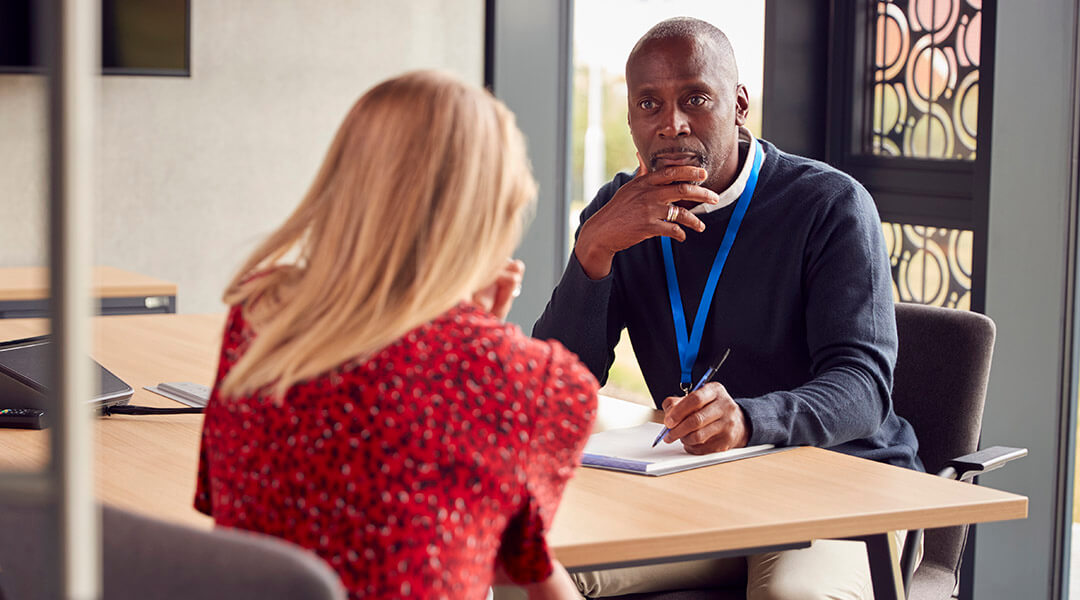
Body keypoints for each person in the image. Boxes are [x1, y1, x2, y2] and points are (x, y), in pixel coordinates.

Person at [533, 17, 922, 599]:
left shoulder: (828, 204)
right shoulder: (618, 212)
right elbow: (555, 388)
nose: (672, 124)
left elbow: (863, 387)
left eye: (695, 98)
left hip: (838, 492)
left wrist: (748, 421)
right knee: (527, 563)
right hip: (696, 487)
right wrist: (592, 251)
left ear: (739, 104)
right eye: (648, 104)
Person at [195, 70, 596, 600]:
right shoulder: (539, 383)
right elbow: (503, 563)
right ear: (489, 215)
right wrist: (490, 341)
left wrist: (479, 335)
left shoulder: (261, 315)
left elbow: (223, 505)